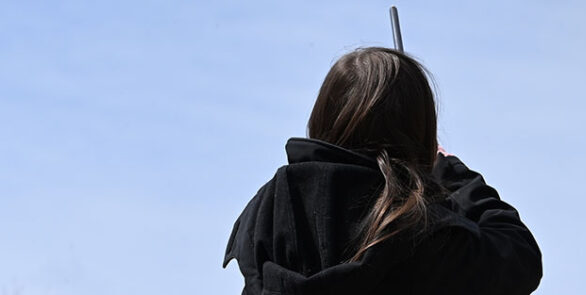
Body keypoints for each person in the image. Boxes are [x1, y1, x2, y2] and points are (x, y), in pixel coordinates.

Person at [223, 47, 542, 295]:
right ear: (418, 132)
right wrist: (452, 172)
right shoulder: (422, 225)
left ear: (323, 119)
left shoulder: (270, 209)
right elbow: (518, 257)